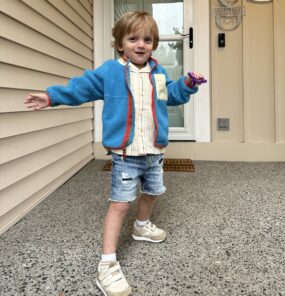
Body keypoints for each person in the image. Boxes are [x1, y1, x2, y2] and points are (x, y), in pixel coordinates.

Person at [24, 11, 205, 296]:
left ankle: (141, 226)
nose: (141, 44)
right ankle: (106, 264)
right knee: (120, 204)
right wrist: (52, 96)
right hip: (125, 153)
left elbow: (168, 96)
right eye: (133, 38)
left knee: (154, 191)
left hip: (154, 150)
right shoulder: (110, 72)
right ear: (121, 43)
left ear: (153, 44)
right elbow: (81, 88)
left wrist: (186, 85)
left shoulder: (158, 72)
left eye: (147, 39)